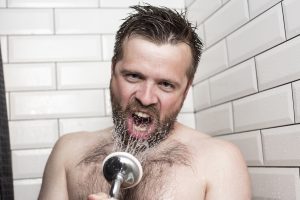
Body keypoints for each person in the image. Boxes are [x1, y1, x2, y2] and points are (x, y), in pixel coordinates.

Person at [38, 4, 251, 200]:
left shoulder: (220, 161)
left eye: (166, 84)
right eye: (133, 76)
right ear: (113, 71)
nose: (146, 97)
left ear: (186, 90)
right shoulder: (68, 152)